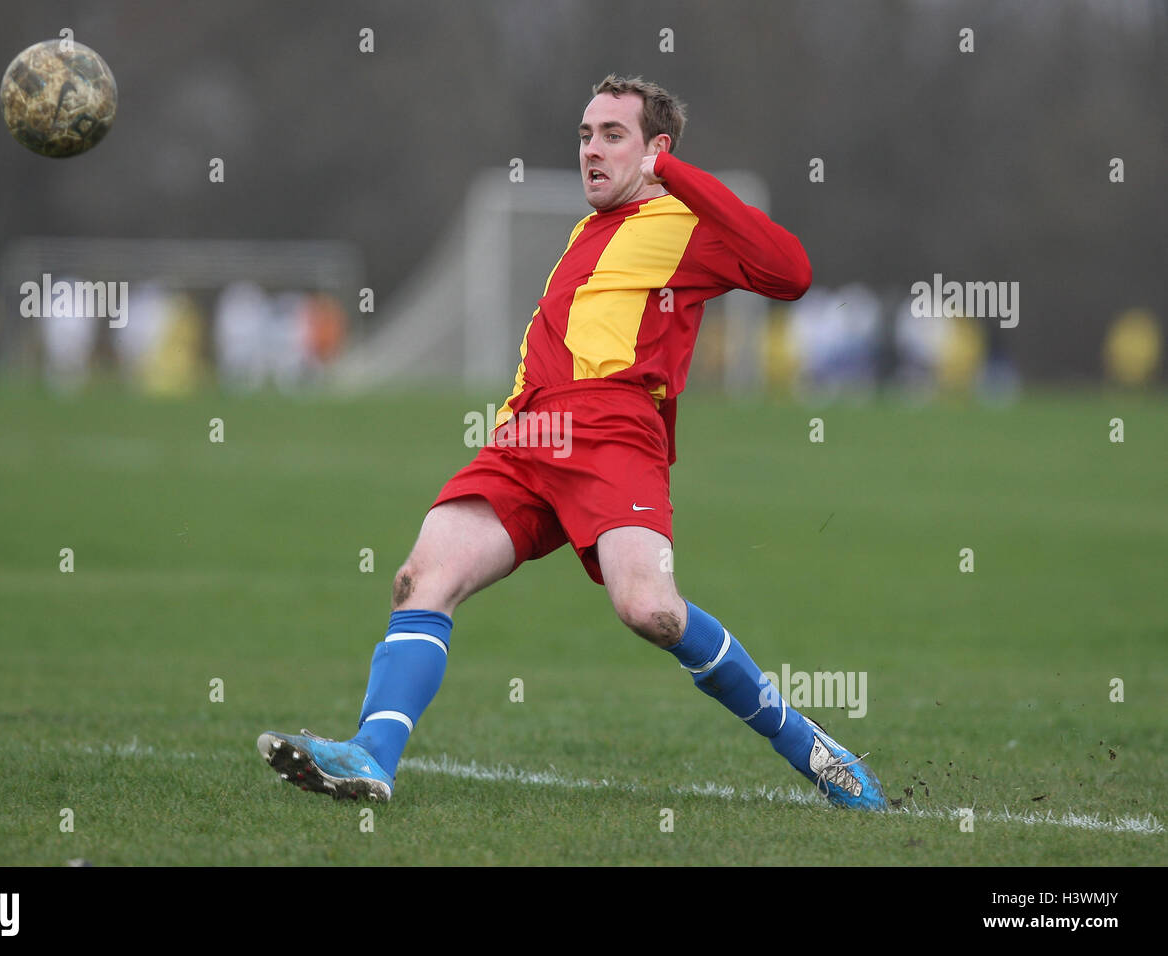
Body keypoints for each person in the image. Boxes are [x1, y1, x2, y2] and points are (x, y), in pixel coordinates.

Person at [258, 75, 887, 810]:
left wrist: (676, 178)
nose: (591, 149)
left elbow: (792, 272)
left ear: (657, 150)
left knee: (650, 611)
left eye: (611, 135)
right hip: (528, 435)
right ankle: (370, 757)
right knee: (420, 580)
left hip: (613, 430)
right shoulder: (587, 231)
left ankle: (813, 749)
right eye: (585, 135)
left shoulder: (683, 222)